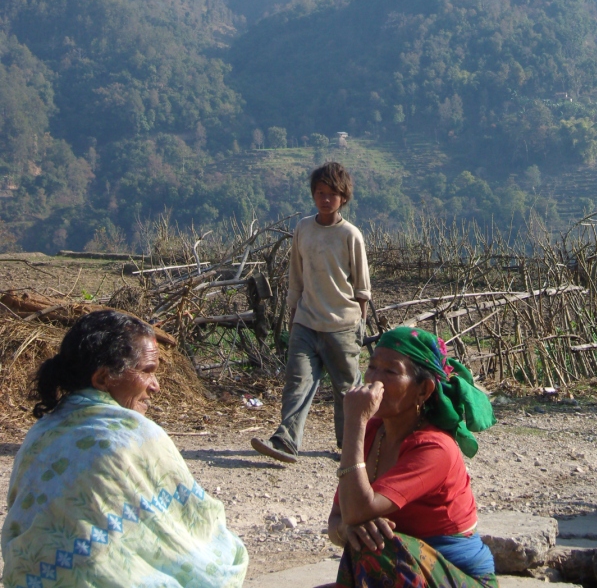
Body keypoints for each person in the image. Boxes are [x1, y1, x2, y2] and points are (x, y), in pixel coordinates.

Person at [2, 309, 248, 588]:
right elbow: (194, 527)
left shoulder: (41, 433)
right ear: (103, 379)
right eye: (147, 372)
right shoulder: (134, 437)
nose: (155, 386)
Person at [327, 326, 498, 588]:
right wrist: (349, 531)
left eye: (391, 372)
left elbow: (357, 510)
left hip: (459, 579)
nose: (375, 380)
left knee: (379, 547)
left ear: (423, 390)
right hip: (405, 575)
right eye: (372, 367)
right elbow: (339, 518)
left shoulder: (434, 448)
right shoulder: (373, 431)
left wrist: (353, 423)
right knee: (367, 542)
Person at [252, 162, 371, 463]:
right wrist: (293, 315)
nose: (325, 199)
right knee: (297, 381)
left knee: (346, 390)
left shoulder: (350, 235)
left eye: (332, 194)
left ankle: (351, 447)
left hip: (342, 325)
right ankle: (285, 441)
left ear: (344, 197)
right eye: (320, 192)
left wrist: (360, 325)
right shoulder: (304, 228)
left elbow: (362, 288)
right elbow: (296, 275)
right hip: (306, 321)